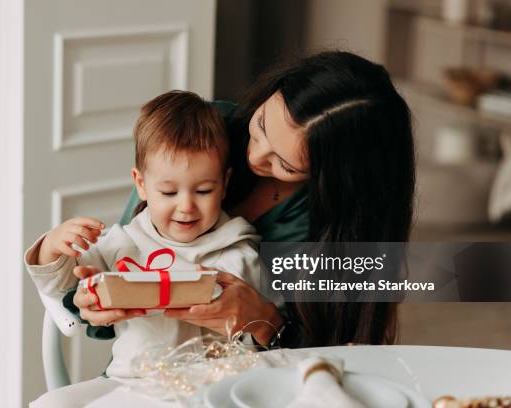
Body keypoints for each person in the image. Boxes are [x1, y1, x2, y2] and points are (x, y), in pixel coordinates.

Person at [71, 51, 415, 350]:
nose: (255, 155)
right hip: (149, 371)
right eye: (262, 124)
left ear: (336, 178)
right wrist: (93, 306)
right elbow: (114, 269)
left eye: (286, 163)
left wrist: (266, 323)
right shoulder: (205, 131)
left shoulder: (332, 228)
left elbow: (332, 355)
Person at [25, 91, 263, 407]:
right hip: (129, 381)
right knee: (49, 404)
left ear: (225, 184)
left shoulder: (236, 252)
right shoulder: (124, 242)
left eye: (204, 190)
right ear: (141, 185)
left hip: (206, 388)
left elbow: (264, 338)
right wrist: (54, 247)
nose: (186, 206)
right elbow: (63, 285)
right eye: (168, 191)